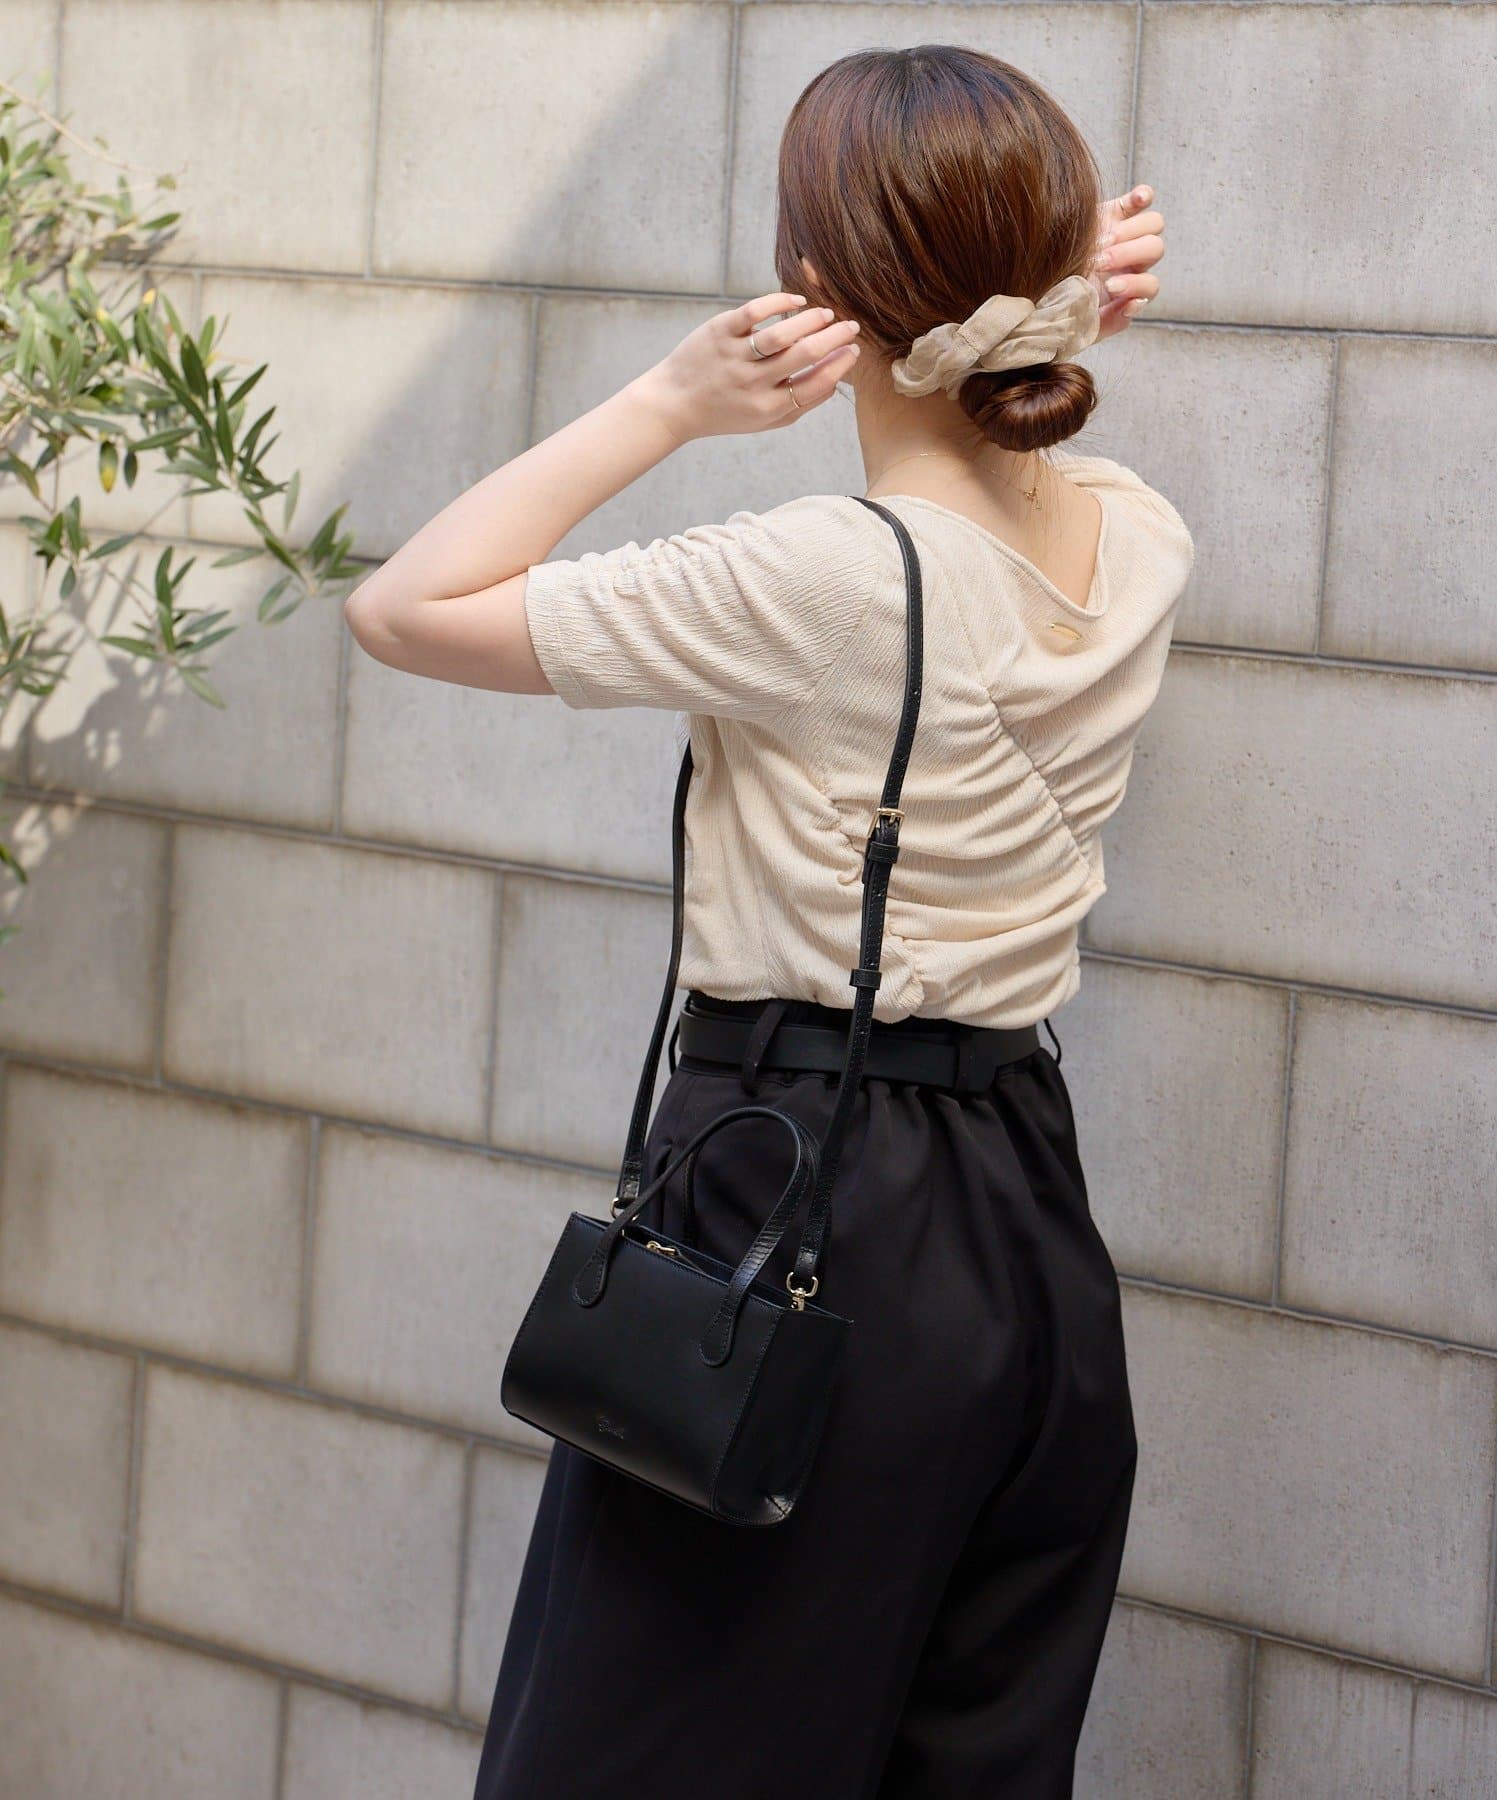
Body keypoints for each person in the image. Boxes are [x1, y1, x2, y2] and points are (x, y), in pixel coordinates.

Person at [345, 41, 1190, 1800]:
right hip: (1028, 1222)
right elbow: (1024, 451)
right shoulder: (1135, 537)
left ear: (814, 285)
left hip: (798, 1201)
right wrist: (1043, 309)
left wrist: (672, 400)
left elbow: (407, 605)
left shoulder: (823, 576)